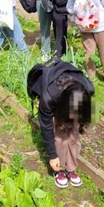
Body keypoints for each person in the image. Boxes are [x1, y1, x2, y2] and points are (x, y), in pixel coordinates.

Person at [34, 60, 94, 189]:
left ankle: (71, 167)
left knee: (74, 134)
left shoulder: (88, 89)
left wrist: (80, 123)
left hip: (73, 94)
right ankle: (60, 168)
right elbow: (46, 127)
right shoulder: (49, 96)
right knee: (60, 135)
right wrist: (52, 156)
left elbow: (87, 113)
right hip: (56, 93)